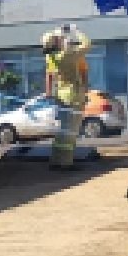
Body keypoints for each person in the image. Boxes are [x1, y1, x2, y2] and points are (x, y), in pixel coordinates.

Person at [44, 25, 91, 170]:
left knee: (62, 130)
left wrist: (48, 92)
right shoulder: (68, 55)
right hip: (73, 96)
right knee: (71, 131)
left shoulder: (51, 57)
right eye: (59, 39)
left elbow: (49, 75)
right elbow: (87, 44)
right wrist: (75, 31)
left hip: (61, 95)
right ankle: (66, 162)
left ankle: (56, 160)